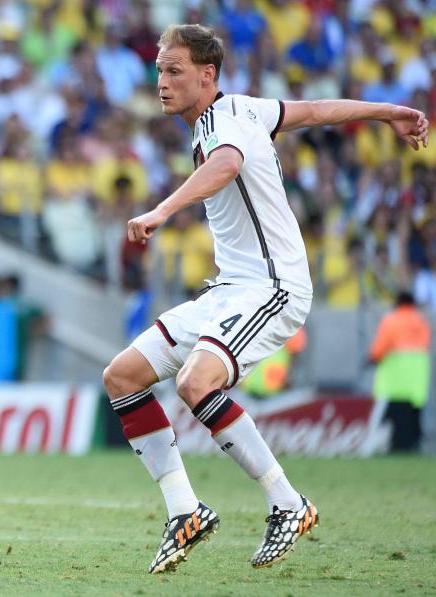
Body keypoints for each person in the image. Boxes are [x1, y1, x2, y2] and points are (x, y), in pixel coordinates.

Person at [103, 24, 429, 574]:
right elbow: (319, 111)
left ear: (207, 75)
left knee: (194, 382)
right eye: (159, 69)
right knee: (123, 376)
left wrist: (161, 211)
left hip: (273, 287)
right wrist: (388, 110)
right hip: (230, 288)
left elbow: (227, 165)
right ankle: (185, 511)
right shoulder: (248, 109)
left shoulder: (221, 125)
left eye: (174, 70)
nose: (161, 80)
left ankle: (287, 501)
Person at [368, 291, 432, 452]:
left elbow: (379, 349)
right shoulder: (421, 321)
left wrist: (372, 359)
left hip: (396, 379)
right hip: (417, 379)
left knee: (396, 419)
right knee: (414, 417)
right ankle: (414, 446)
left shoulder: (392, 320)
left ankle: (396, 448)